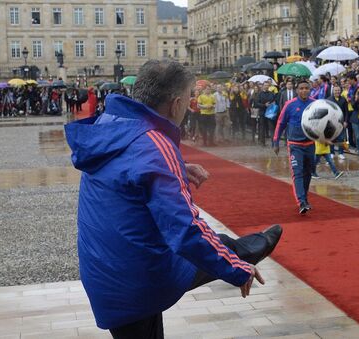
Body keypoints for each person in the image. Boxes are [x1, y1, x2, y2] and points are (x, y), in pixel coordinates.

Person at [64, 59, 282, 338]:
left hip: (106, 268)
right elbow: (186, 231)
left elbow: (129, 163)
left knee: (207, 253)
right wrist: (237, 271)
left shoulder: (111, 123)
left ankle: (245, 249)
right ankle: (245, 254)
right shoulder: (155, 147)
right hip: (139, 276)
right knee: (202, 249)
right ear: (176, 104)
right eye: (190, 97)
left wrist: (176, 164)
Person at [272, 80, 315, 215]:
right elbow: (281, 122)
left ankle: (305, 197)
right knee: (297, 173)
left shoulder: (315, 104)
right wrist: (276, 141)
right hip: (295, 145)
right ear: (297, 90)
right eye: (301, 88)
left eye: (306, 88)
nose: (304, 91)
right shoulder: (289, 105)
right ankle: (301, 202)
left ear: (309, 90)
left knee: (308, 173)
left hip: (310, 144)